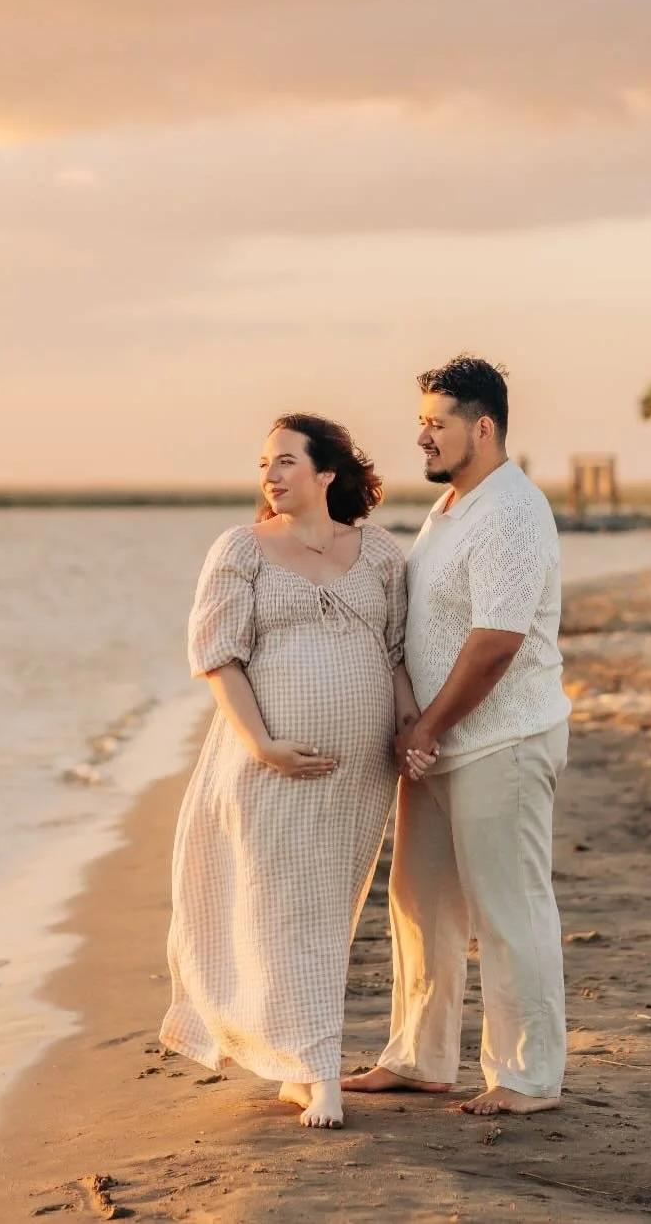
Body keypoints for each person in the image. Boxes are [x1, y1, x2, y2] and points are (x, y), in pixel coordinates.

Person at [160, 414, 415, 1129]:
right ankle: (319, 1070)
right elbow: (219, 656)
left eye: (284, 462)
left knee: (326, 914)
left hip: (358, 774)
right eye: (264, 464)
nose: (269, 476)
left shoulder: (382, 555)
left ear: (327, 472)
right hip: (269, 765)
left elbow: (395, 654)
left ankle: (299, 1060)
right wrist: (263, 744)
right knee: (279, 908)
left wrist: (408, 730)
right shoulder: (241, 548)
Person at [344, 356, 571, 1116]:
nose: (421, 437)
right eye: (420, 422)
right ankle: (419, 1056)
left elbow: (496, 641)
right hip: (440, 743)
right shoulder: (452, 508)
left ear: (483, 426)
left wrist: (428, 727)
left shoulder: (513, 508)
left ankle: (529, 1074)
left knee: (509, 909)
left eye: (436, 423)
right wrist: (416, 723)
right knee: (420, 902)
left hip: (500, 741)